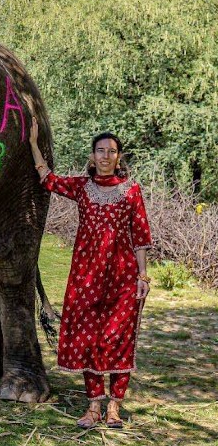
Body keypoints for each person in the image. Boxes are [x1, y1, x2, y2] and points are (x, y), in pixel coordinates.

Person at [28, 118, 152, 429]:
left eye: (111, 151)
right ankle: (94, 406)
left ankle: (114, 407)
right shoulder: (82, 187)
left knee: (118, 337)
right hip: (86, 276)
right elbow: (47, 178)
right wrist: (33, 143)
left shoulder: (131, 191)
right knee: (89, 337)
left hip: (122, 277)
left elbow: (140, 235)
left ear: (118, 157)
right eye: (100, 151)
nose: (106, 156)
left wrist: (143, 276)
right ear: (92, 156)